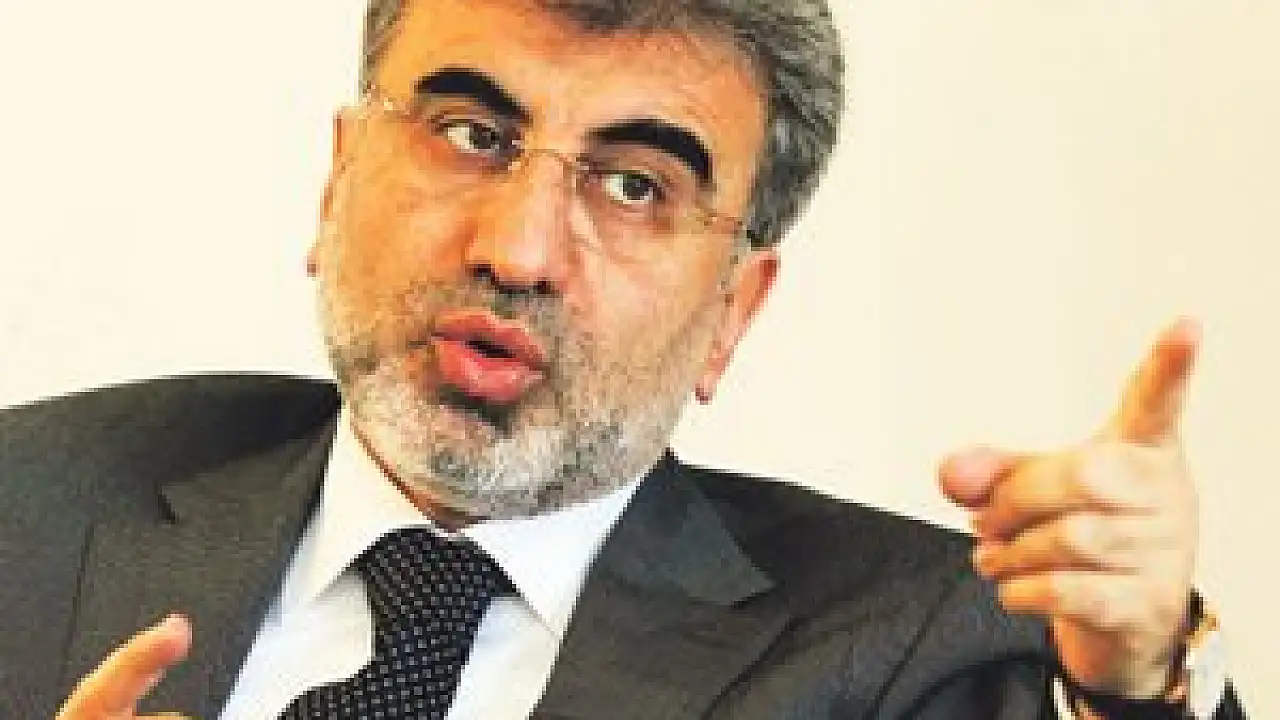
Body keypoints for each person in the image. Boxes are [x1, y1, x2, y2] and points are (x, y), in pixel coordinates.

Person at [0, 0, 1247, 718]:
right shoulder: (31, 506)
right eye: (470, 133)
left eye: (635, 185)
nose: (517, 250)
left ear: (732, 310)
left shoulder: (910, 650)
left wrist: (1136, 688)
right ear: (338, 183)